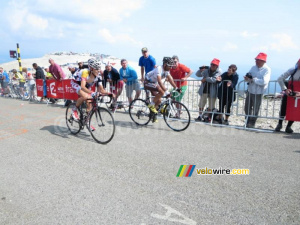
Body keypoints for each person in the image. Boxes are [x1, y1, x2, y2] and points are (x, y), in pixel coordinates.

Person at [70, 59, 113, 128]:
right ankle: (74, 109)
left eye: (99, 68)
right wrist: (92, 93)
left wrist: (109, 93)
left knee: (90, 102)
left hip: (86, 85)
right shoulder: (85, 72)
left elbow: (101, 89)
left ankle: (87, 121)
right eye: (97, 69)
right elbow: (83, 87)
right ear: (91, 68)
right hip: (76, 83)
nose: (99, 70)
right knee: (86, 96)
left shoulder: (98, 76)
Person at [144, 57, 181, 122]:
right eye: (170, 66)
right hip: (147, 82)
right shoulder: (159, 69)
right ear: (165, 65)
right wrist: (166, 92)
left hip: (154, 83)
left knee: (159, 101)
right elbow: (160, 82)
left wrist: (176, 88)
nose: (171, 68)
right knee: (161, 91)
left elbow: (170, 79)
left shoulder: (167, 70)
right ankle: (151, 105)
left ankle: (153, 115)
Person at [244, 52, 271, 128]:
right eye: (256, 59)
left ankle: (252, 122)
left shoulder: (267, 69)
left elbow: (264, 81)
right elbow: (249, 76)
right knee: (247, 107)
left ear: (263, 61)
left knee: (256, 108)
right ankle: (247, 121)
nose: (256, 61)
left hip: (259, 92)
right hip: (250, 90)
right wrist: (247, 78)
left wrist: (253, 79)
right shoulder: (253, 67)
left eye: (258, 60)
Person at [275, 59, 300, 133]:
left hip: (298, 94)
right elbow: (280, 78)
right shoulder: (293, 69)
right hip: (289, 91)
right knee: (284, 107)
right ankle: (280, 124)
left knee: (295, 109)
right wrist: (285, 89)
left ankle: (288, 126)